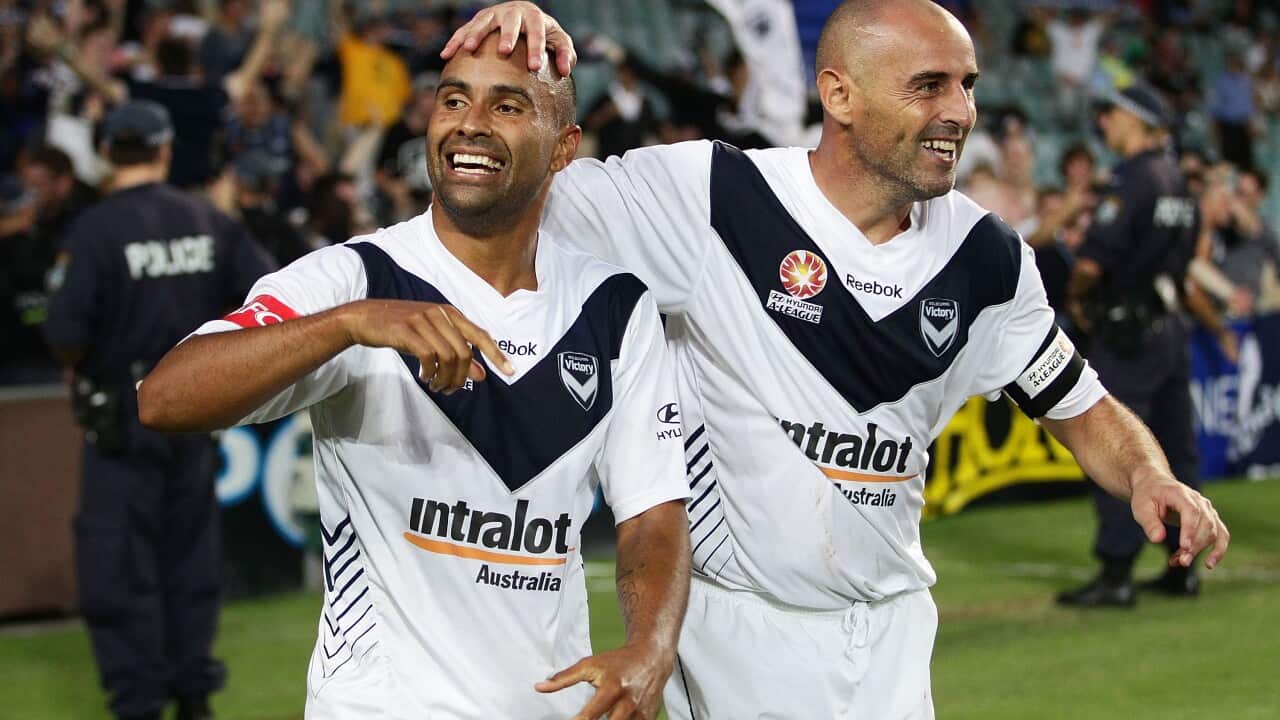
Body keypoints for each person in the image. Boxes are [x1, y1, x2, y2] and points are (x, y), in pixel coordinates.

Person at [444, 2, 1230, 717]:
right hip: (730, 637)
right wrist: (529, 80)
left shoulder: (988, 257)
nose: (959, 111)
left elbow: (1079, 403)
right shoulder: (714, 197)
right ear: (840, 95)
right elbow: (510, 204)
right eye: (929, 86)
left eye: (966, 85)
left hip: (891, 639)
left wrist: (1149, 476)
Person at [137, 35, 691, 720]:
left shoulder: (614, 307)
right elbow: (164, 397)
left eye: (507, 105)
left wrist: (651, 647)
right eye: (452, 99)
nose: (469, 123)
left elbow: (652, 513)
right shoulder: (357, 278)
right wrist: (347, 324)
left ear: (562, 147)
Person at [42, 100, 275, 720]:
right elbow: (268, 299)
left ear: (107, 152)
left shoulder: (93, 231)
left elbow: (63, 327)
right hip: (193, 417)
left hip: (119, 421)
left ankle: (140, 700)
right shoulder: (208, 221)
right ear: (165, 150)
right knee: (190, 560)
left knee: (118, 565)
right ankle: (194, 692)